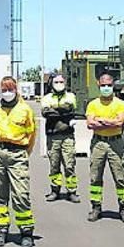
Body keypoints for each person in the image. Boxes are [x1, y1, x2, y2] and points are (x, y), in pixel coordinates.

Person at [0, 77, 37, 247]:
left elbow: (32, 135)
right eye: (4, 89)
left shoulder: (25, 109)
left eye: (10, 89)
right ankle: (1, 230)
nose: (7, 92)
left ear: (16, 89)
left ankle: (26, 232)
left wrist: (25, 154)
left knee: (21, 194)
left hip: (18, 153)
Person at [85, 73, 124, 223]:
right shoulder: (93, 104)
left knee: (120, 177)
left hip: (116, 143)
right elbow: (90, 124)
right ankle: (96, 207)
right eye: (103, 85)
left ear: (113, 86)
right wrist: (109, 121)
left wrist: (101, 120)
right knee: (95, 176)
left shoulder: (120, 104)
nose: (106, 88)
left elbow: (119, 123)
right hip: (98, 143)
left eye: (109, 85)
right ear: (98, 84)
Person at [41, 73, 78, 202]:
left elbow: (70, 109)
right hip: (53, 136)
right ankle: (54, 190)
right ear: (51, 83)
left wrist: (56, 110)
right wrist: (62, 111)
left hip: (68, 136)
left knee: (69, 164)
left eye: (61, 82)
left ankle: (72, 191)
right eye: (56, 82)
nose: (59, 84)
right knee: (54, 165)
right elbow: (46, 113)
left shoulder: (71, 96)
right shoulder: (46, 98)